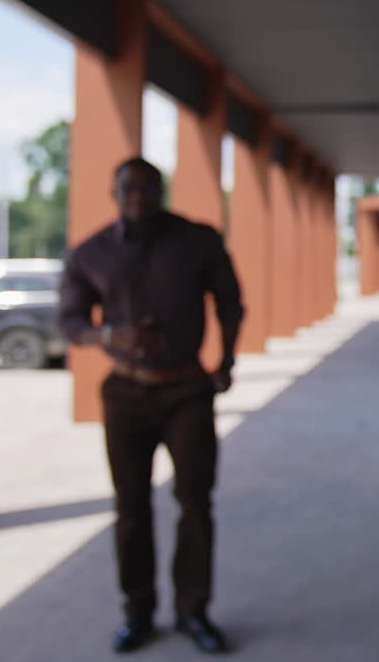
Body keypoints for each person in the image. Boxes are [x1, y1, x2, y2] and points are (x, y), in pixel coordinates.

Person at [59, 157, 243, 654]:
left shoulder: (198, 240)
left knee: (195, 502)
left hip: (187, 390)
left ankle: (193, 611)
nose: (138, 194)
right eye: (128, 187)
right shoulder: (90, 253)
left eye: (147, 186)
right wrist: (108, 334)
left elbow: (230, 301)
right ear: (113, 192)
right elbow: (69, 321)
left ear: (161, 190)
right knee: (131, 507)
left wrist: (226, 360)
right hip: (125, 394)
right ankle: (138, 610)